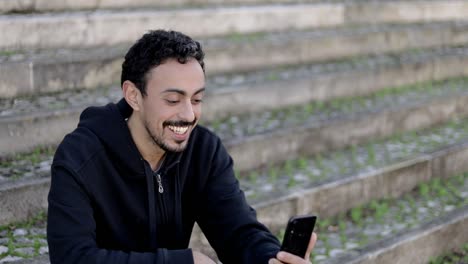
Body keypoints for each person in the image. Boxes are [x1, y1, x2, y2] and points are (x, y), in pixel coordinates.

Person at [47, 29, 317, 264]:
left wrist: (270, 259)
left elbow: (238, 231)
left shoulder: (203, 150)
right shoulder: (81, 157)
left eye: (197, 99)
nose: (189, 115)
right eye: (173, 100)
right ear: (133, 96)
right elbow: (72, 257)